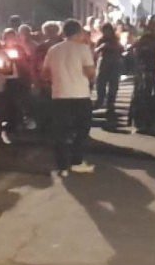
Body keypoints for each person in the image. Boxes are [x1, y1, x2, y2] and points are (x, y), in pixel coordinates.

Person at [42, 20, 97, 181]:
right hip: (80, 95)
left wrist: (58, 78)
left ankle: (62, 166)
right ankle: (76, 161)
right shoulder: (83, 49)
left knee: (60, 132)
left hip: (59, 95)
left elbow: (45, 73)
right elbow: (90, 73)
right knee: (82, 130)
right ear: (79, 32)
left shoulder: (53, 49)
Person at [94, 23, 126, 128]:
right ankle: (100, 101)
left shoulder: (116, 39)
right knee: (101, 84)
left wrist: (115, 47)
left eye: (108, 30)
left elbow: (122, 50)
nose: (106, 32)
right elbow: (95, 51)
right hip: (104, 64)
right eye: (104, 30)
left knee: (113, 86)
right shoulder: (101, 40)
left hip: (115, 65)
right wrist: (101, 47)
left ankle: (110, 105)